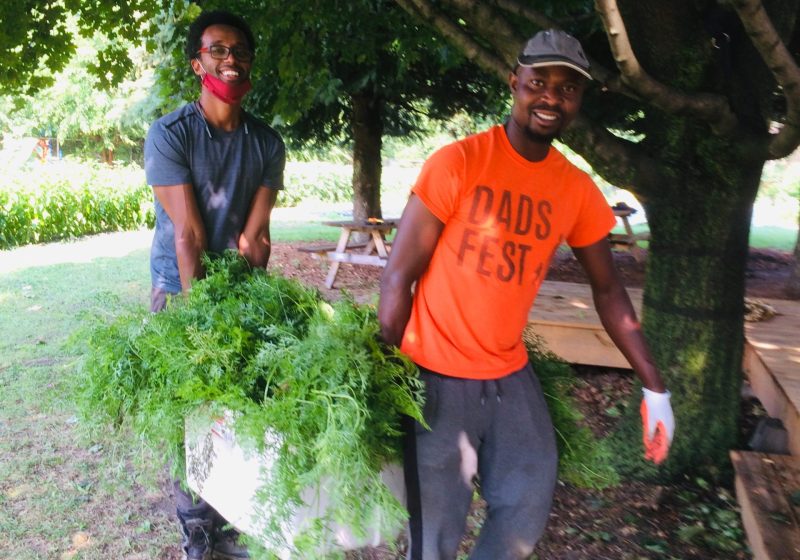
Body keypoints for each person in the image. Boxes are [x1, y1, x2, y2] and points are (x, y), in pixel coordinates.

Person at [378, 29, 675, 560]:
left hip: (509, 377)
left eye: (567, 89)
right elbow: (399, 276)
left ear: (579, 100)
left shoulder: (575, 189)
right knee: (434, 536)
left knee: (528, 499)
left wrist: (655, 388)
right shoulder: (459, 163)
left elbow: (608, 290)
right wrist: (383, 378)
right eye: (539, 83)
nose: (551, 98)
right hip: (435, 375)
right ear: (515, 83)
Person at [144, 9, 285, 560]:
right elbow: (188, 236)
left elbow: (257, 237)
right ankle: (196, 528)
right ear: (197, 61)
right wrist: (205, 324)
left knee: (237, 407)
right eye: (218, 49)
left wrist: (251, 304)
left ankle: (232, 514)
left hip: (237, 289)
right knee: (191, 408)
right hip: (180, 290)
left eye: (240, 51)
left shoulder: (267, 143)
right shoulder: (170, 133)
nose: (231, 59)